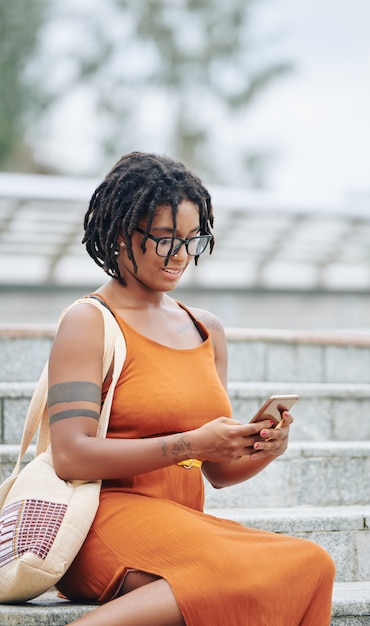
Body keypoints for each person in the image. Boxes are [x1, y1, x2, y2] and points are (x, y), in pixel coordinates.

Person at [48, 151, 335, 626]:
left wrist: (263, 446)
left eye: (191, 239)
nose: (180, 255)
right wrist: (189, 444)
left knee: (312, 564)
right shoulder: (89, 322)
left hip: (182, 525)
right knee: (233, 577)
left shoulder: (205, 329)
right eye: (164, 240)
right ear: (122, 234)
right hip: (103, 523)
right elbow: (71, 455)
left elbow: (217, 472)